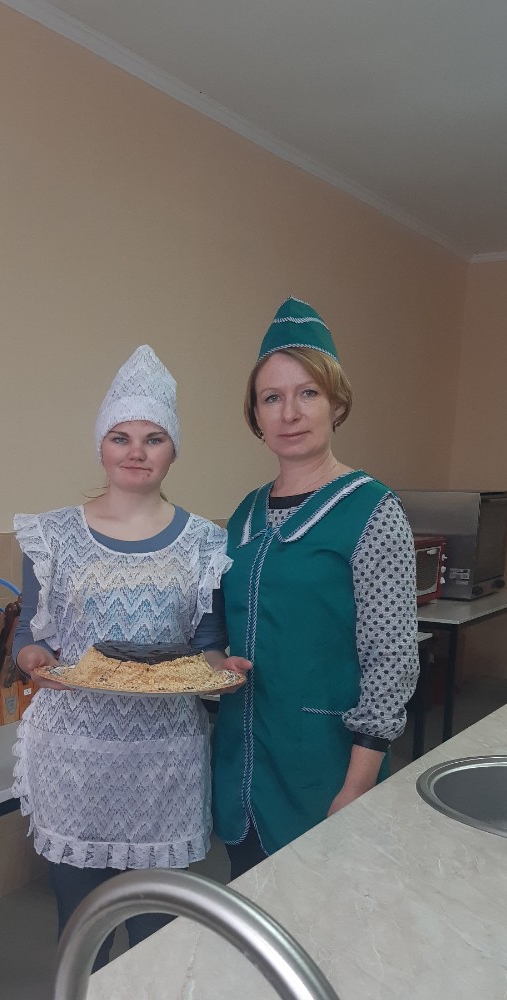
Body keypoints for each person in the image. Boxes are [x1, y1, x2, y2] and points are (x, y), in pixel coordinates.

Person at [12, 345, 235, 965]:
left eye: (153, 438)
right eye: (121, 437)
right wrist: (32, 659)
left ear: (173, 451)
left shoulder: (204, 543)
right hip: (75, 757)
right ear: (101, 447)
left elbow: (207, 646)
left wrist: (221, 670)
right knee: (80, 924)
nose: (136, 451)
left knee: (155, 933)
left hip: (164, 761)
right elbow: (30, 633)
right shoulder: (53, 536)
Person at [211, 298, 419, 879]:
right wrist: (212, 661)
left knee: (320, 914)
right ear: (256, 415)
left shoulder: (371, 511)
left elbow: (392, 659)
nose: (290, 413)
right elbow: (223, 628)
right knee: (249, 905)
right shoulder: (245, 513)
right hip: (242, 763)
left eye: (308, 393)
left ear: (336, 403)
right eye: (271, 398)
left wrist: (357, 786)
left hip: (324, 768)